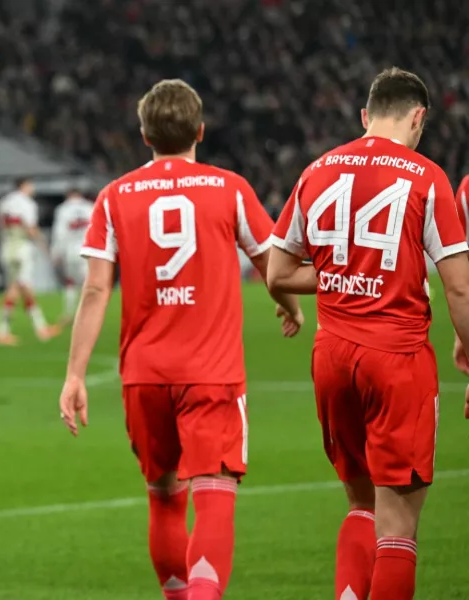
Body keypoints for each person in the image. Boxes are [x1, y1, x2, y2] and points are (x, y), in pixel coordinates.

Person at [58, 79, 303, 600]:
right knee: (214, 496)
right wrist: (290, 306)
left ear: (144, 135)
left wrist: (75, 374)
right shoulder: (230, 188)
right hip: (211, 374)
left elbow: (97, 288)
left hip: (144, 377)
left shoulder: (114, 196)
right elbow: (272, 265)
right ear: (200, 131)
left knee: (164, 498)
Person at [267, 67, 469, 600]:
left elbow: (278, 272)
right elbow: (461, 290)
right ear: (419, 116)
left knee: (361, 506)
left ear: (364, 116)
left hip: (331, 358)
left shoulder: (316, 171)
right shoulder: (427, 177)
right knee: (398, 525)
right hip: (397, 358)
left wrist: (341, 272)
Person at [0, 177, 59, 345]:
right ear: (24, 186)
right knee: (21, 287)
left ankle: (40, 327)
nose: (33, 188)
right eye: (31, 185)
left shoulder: (3, 202)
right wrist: (45, 246)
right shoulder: (27, 204)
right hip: (22, 249)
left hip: (6, 247)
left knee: (17, 287)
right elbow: (30, 228)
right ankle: (4, 331)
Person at [50, 188, 96, 326]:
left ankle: (69, 313)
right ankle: (89, 314)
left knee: (70, 282)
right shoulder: (89, 207)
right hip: (87, 249)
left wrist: (56, 252)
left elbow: (59, 233)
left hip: (70, 251)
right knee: (87, 282)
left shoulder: (62, 209)